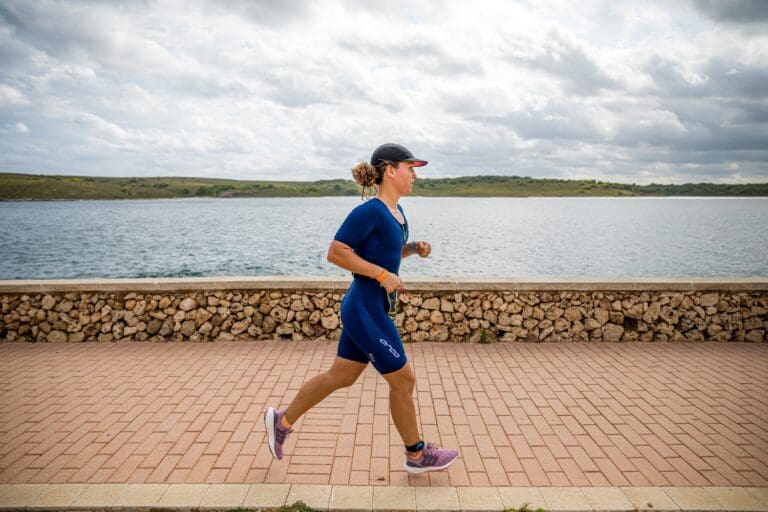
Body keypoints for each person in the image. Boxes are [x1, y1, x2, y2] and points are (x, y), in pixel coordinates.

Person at [264, 143, 459, 474]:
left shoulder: (397, 213)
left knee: (341, 376)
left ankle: (281, 421)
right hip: (365, 307)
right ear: (389, 170)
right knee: (404, 379)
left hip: (370, 307)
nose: (414, 174)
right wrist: (383, 275)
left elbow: (384, 253)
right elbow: (337, 252)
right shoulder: (369, 210)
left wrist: (413, 248)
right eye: (409, 167)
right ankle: (416, 455)